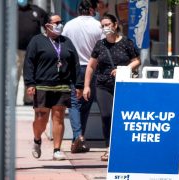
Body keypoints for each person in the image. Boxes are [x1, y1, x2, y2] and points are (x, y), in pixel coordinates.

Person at [23, 14, 82, 161]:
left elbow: (75, 64)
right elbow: (29, 63)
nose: (60, 24)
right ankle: (37, 139)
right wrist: (30, 83)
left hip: (62, 85)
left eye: (61, 22)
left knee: (58, 117)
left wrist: (78, 85)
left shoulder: (66, 42)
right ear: (47, 26)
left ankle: (57, 149)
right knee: (41, 118)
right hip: (42, 85)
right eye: (57, 22)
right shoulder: (36, 41)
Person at [83, 13, 141, 161]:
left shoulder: (127, 43)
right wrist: (86, 86)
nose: (105, 28)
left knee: (122, 117)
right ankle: (109, 147)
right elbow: (90, 66)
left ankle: (123, 146)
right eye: (103, 26)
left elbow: (137, 61)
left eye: (108, 24)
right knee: (107, 116)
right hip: (103, 85)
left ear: (115, 25)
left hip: (124, 85)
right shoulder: (100, 44)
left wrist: (125, 69)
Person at [62, 0, 103, 153]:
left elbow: (63, 46)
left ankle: (78, 137)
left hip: (73, 68)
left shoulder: (69, 25)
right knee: (85, 103)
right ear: (92, 10)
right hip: (91, 69)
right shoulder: (98, 26)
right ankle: (79, 136)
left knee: (74, 103)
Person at [17, 0, 48, 105]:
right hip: (16, 50)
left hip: (33, 50)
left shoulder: (37, 11)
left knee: (30, 75)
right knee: (14, 75)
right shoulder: (11, 11)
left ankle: (28, 99)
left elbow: (47, 26)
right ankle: (10, 99)